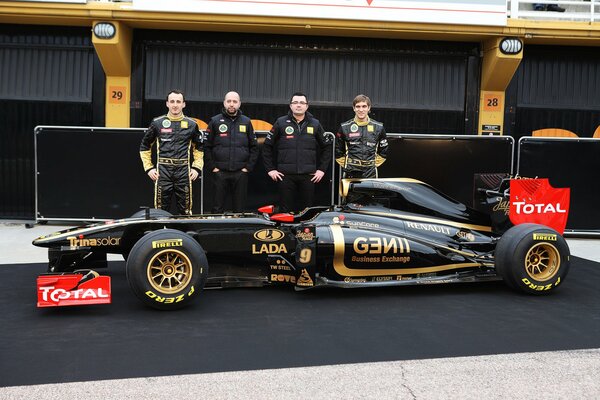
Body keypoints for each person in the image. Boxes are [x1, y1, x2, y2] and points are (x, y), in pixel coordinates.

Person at [263, 92, 332, 212]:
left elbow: (327, 147)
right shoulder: (280, 122)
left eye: (301, 103)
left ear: (307, 106)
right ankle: (285, 230)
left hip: (308, 176)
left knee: (307, 211)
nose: (298, 105)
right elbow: (267, 146)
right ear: (290, 106)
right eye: (295, 102)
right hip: (285, 176)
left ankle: (305, 231)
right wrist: (270, 169)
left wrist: (321, 170)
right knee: (285, 210)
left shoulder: (315, 124)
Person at [139, 90, 203, 215]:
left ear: (183, 104)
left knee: (185, 211)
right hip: (163, 171)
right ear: (167, 103)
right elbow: (144, 146)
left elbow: (199, 148)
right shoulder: (157, 123)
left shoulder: (192, 124)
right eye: (172, 101)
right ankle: (161, 234)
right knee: (160, 211)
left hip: (183, 172)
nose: (175, 105)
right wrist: (149, 168)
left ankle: (185, 233)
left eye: (178, 102)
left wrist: (196, 168)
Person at [204, 91, 258, 214]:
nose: (231, 104)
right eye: (229, 101)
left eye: (234, 101)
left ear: (239, 104)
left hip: (240, 173)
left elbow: (254, 147)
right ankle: (215, 232)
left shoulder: (246, 122)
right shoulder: (215, 121)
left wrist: (247, 168)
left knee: (239, 209)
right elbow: (206, 146)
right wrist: (213, 167)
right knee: (217, 208)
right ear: (224, 103)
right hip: (220, 172)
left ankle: (237, 231)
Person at [335, 94, 388, 179]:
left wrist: (373, 164)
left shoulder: (379, 127)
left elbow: (384, 151)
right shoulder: (345, 127)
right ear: (354, 108)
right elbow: (338, 151)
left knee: (371, 192)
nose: (361, 110)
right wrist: (347, 164)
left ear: (369, 108)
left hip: (370, 172)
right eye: (358, 106)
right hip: (351, 170)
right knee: (349, 193)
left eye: (364, 106)